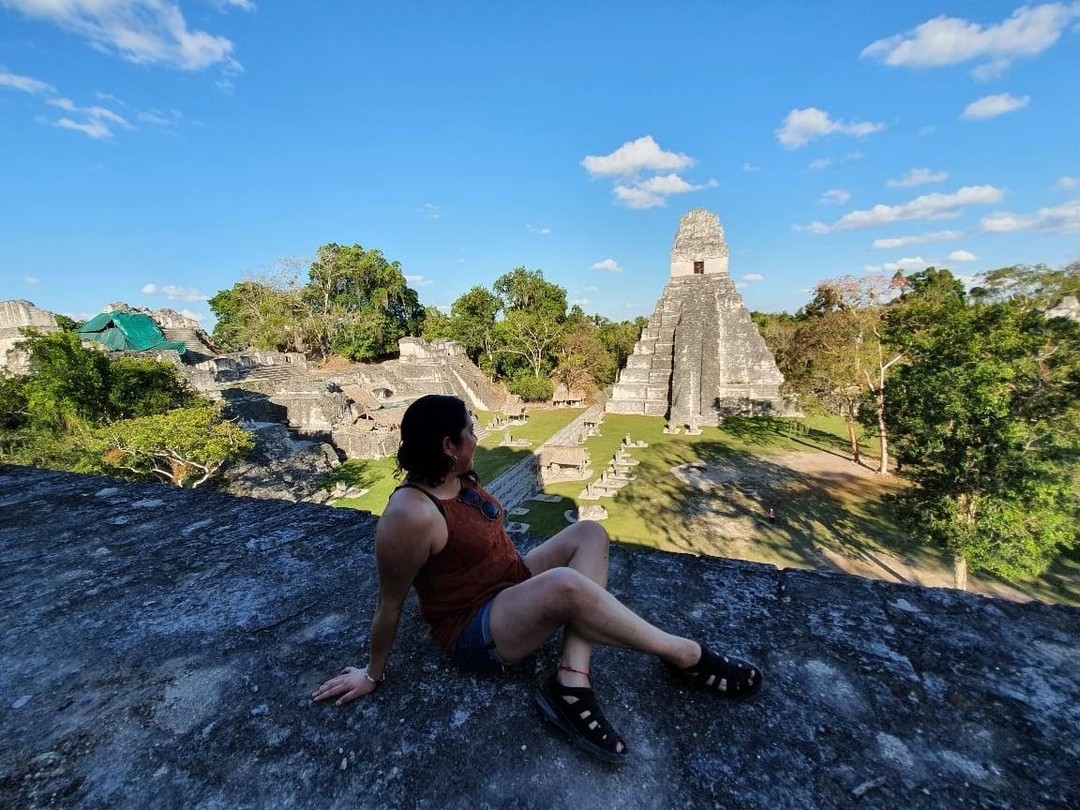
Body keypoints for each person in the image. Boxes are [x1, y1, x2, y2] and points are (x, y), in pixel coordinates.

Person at [313, 394, 762, 764]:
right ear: (448, 445)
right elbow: (389, 604)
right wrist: (372, 674)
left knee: (589, 533)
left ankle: (572, 678)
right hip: (474, 626)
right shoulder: (410, 514)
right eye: (470, 431)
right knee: (565, 584)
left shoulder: (458, 478)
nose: (477, 438)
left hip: (511, 583)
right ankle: (684, 653)